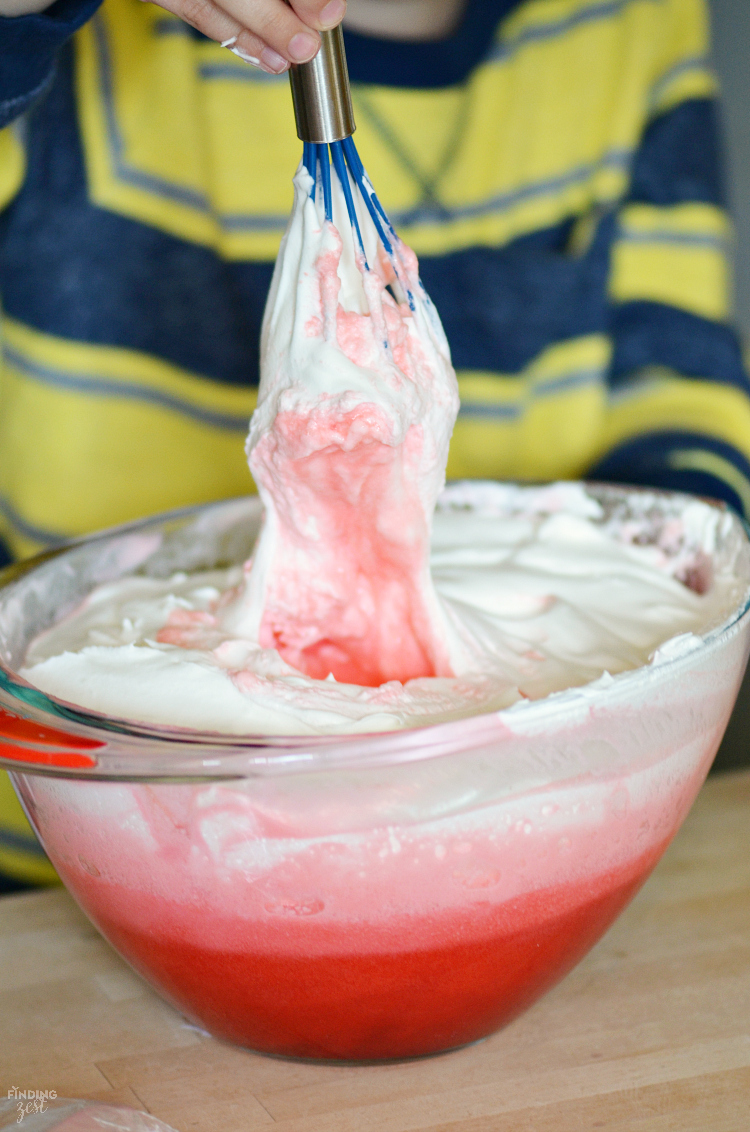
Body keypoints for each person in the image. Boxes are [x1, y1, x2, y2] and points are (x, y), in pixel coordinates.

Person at [0, 0, 748, 889]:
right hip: (64, 864)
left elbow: (676, 393)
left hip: (523, 831)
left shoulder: (631, 24)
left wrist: (649, 667)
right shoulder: (98, 45)